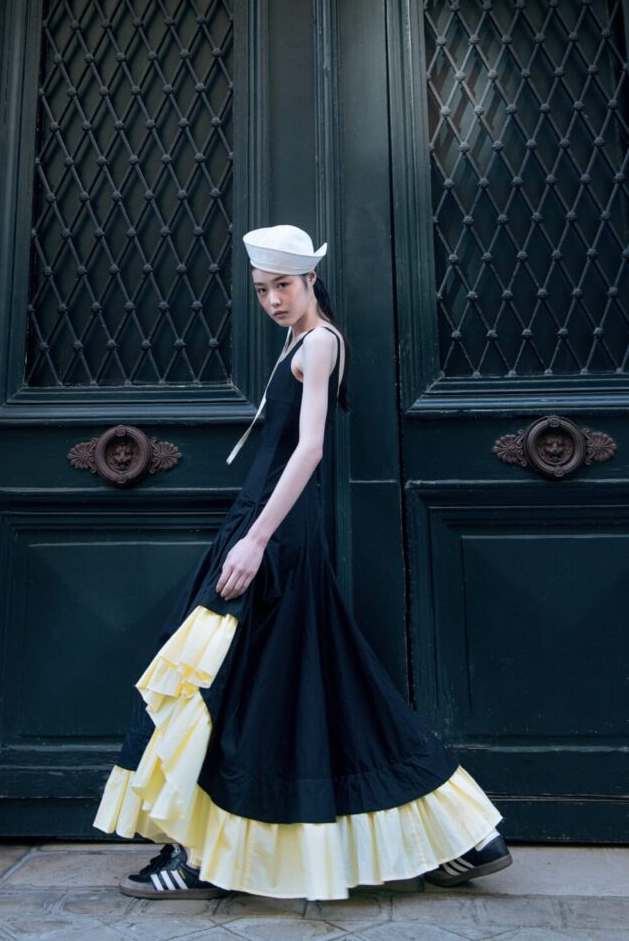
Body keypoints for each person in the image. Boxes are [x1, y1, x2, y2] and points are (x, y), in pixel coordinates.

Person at [92, 224, 513, 900]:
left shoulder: (319, 342)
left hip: (273, 532)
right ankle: (462, 836)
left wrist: (257, 539)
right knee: (297, 680)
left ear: (310, 279)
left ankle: (195, 855)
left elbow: (309, 448)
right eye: (262, 289)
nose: (272, 300)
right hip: (266, 523)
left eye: (283, 286)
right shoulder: (301, 341)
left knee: (215, 676)